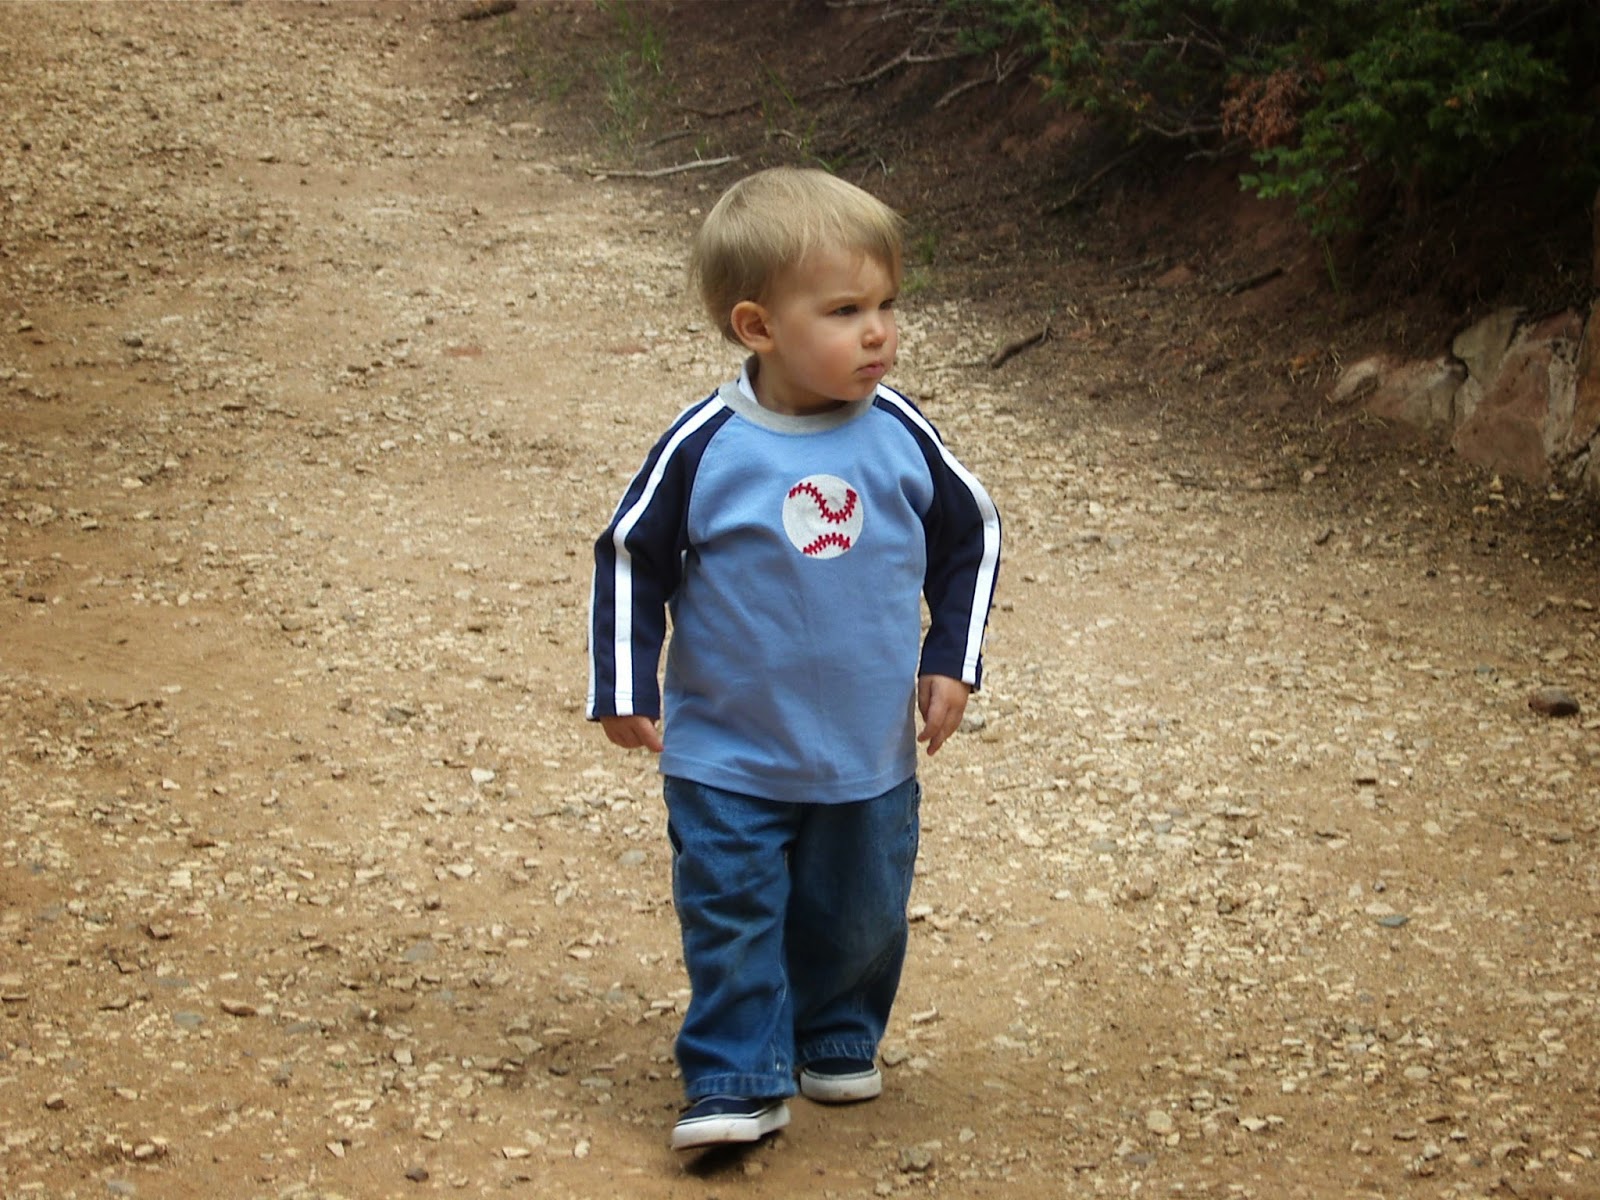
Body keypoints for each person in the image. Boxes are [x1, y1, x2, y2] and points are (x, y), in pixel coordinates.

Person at [586, 166, 1001, 1152]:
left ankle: (836, 1030)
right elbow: (631, 555)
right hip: (727, 749)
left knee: (859, 910)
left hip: (866, 753)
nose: (879, 333)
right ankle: (735, 1073)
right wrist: (623, 681)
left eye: (887, 305)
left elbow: (970, 536)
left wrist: (952, 656)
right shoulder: (709, 445)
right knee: (731, 910)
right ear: (758, 326)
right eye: (846, 310)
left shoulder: (898, 433)